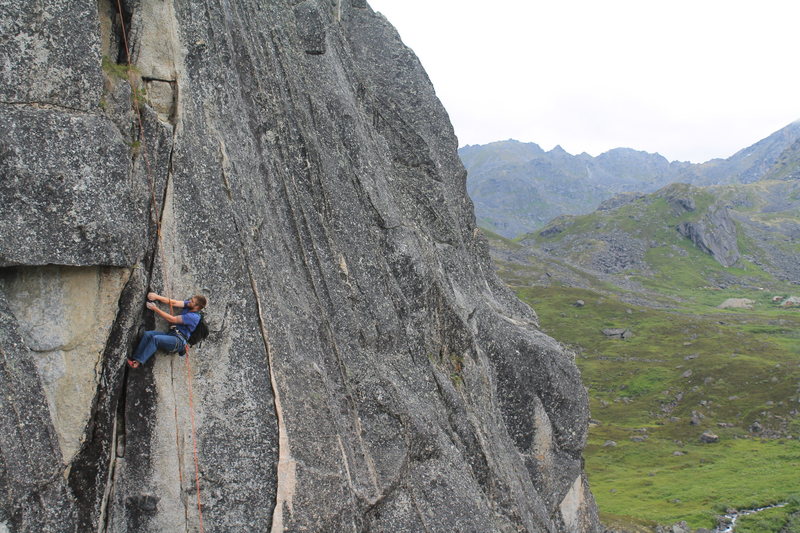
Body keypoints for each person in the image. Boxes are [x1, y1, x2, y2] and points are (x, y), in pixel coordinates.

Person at [127, 292, 207, 369]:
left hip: (179, 341)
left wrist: (155, 308)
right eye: (191, 299)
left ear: (197, 307)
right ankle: (134, 358)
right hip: (172, 334)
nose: (190, 301)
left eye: (192, 301)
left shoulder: (193, 317)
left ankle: (137, 363)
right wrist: (156, 296)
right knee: (147, 334)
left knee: (156, 339)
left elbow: (172, 319)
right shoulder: (189, 306)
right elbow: (173, 302)